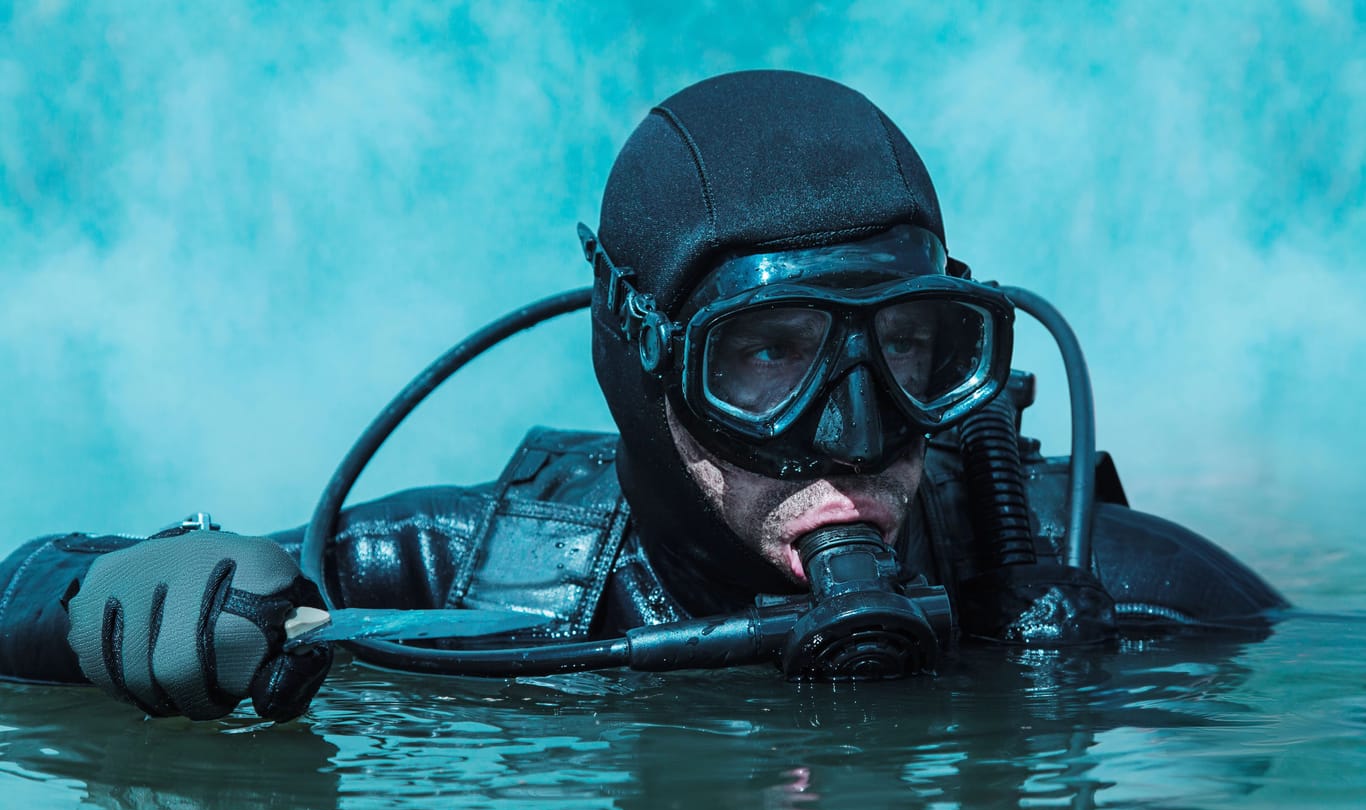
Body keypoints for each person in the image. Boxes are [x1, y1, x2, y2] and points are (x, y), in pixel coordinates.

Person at [0, 70, 1286, 721]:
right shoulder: (464, 574)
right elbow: (25, 590)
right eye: (766, 354)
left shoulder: (1084, 585)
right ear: (640, 356)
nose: (853, 431)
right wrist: (99, 590)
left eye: (911, 346)